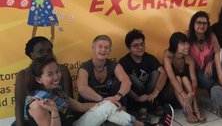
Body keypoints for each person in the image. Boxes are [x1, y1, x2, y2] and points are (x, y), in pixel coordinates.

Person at [25, 56, 174, 126]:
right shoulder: (38, 104)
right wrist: (55, 112)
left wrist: (106, 103)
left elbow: (78, 106)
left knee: (109, 107)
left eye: (57, 71)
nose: (57, 76)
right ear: (38, 79)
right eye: (50, 74)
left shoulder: (55, 90)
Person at [14, 36, 72, 126]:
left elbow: (69, 100)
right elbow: (19, 104)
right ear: (31, 55)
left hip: (58, 119)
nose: (46, 54)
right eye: (40, 52)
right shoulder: (23, 75)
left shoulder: (62, 70)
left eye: (49, 51)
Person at [119, 29, 170, 122]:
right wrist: (136, 97)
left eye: (142, 44)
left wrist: (155, 92)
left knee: (156, 73)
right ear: (128, 48)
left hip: (151, 96)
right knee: (130, 78)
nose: (140, 47)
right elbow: (124, 84)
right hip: (135, 98)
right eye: (135, 46)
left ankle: (144, 109)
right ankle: (152, 106)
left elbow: (164, 73)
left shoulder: (149, 58)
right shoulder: (124, 62)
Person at [163, 32, 206, 123]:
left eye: (187, 43)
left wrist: (191, 93)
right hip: (170, 95)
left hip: (186, 98)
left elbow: (194, 80)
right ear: (175, 45)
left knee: (185, 79)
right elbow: (172, 79)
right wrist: (184, 95)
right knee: (178, 78)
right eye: (183, 44)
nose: (187, 46)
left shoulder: (189, 60)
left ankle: (196, 109)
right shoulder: (168, 57)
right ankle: (188, 112)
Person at [77, 35, 131, 106]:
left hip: (111, 103)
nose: (103, 50)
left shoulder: (114, 65)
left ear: (110, 51)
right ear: (93, 48)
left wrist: (117, 96)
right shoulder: (84, 68)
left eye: (106, 47)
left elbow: (127, 81)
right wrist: (103, 100)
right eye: (100, 46)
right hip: (90, 107)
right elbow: (82, 88)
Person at [188, 11, 220, 90]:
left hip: (211, 67)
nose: (201, 26)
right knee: (208, 83)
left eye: (204, 23)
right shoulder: (187, 36)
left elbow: (219, 53)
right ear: (193, 24)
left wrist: (211, 64)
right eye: (198, 23)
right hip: (196, 70)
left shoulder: (211, 36)